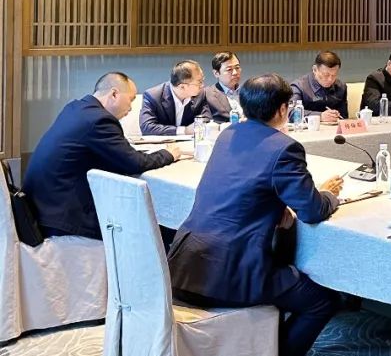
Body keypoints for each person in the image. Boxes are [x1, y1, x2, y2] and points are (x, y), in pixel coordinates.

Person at [167, 73, 344, 356]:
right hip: (232, 272)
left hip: (186, 262)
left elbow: (247, 190)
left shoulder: (228, 134)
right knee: (322, 301)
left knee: (291, 276)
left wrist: (275, 208)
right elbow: (311, 210)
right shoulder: (285, 148)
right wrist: (329, 195)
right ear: (283, 109)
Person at [24, 72, 181, 240]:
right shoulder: (99, 120)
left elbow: (119, 156)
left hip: (41, 208)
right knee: (156, 228)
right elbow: (134, 163)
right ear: (114, 94)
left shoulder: (76, 108)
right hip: (63, 218)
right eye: (131, 99)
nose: (131, 108)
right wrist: (168, 154)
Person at [140, 60, 212, 136]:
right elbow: (147, 127)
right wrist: (184, 130)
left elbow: (206, 120)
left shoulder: (200, 94)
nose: (202, 85)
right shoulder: (153, 96)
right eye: (199, 82)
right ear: (182, 87)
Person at [291, 51, 348, 122]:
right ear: (315, 70)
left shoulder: (341, 87)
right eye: (326, 75)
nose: (330, 79)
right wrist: (319, 116)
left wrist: (337, 115)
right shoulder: (299, 87)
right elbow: (291, 113)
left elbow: (344, 117)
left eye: (334, 75)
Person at [204, 52, 243, 123]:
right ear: (216, 73)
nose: (235, 72)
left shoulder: (249, 91)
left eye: (237, 68)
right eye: (229, 69)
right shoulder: (207, 94)